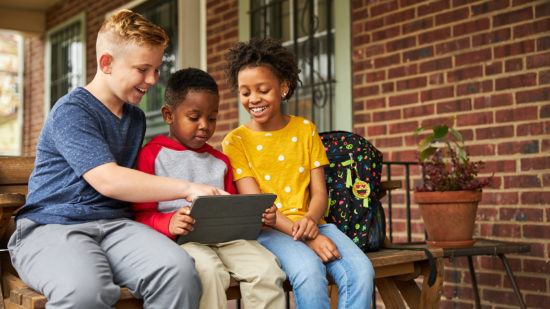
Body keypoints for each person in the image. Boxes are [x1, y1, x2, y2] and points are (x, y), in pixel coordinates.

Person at [8, 10, 227, 309]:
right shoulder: (72, 111)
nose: (152, 80)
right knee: (85, 292)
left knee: (179, 272)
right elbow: (108, 179)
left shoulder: (135, 117)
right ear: (106, 63)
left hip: (115, 226)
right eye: (142, 69)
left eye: (156, 69)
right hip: (52, 226)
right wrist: (187, 188)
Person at [222, 37, 375, 308]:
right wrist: (310, 237)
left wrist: (313, 222)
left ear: (283, 87)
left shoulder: (305, 130)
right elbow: (258, 207)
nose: (253, 99)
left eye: (262, 89)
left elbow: (319, 193)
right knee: (308, 270)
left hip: (315, 222)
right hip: (270, 229)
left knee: (361, 271)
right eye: (245, 93)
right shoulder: (235, 141)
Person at [132, 67, 286, 309]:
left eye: (212, 118)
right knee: (208, 272)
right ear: (168, 115)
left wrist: (259, 217)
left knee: (266, 268)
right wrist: (168, 222)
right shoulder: (151, 155)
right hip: (183, 242)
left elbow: (232, 208)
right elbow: (139, 215)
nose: (204, 126)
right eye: (194, 118)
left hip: (229, 240)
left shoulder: (221, 161)